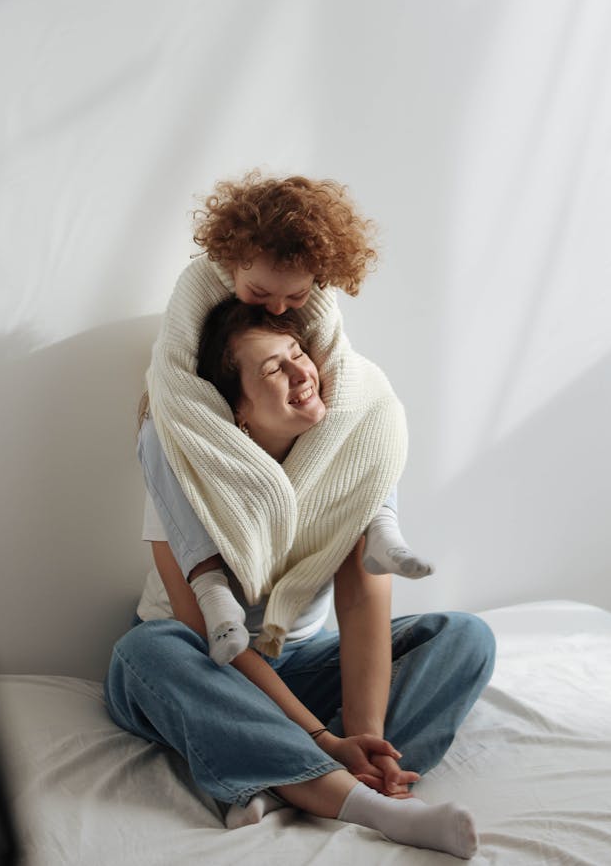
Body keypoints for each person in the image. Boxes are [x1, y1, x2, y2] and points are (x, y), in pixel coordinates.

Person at [105, 301, 495, 858]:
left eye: (297, 354)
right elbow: (212, 638)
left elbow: (363, 603)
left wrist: (359, 735)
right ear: (237, 408)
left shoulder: (350, 453)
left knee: (464, 638)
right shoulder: (189, 475)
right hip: (199, 668)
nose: (300, 373)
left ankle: (311, 782)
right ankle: (366, 805)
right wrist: (319, 736)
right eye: (272, 369)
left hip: (300, 661)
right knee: (145, 648)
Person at [143, 172, 433, 665]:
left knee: (373, 401)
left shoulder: (315, 299)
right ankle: (212, 586)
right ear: (233, 262)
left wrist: (361, 737)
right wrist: (318, 736)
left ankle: (382, 525)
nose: (278, 306)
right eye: (260, 291)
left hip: (306, 652)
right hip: (202, 648)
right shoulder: (200, 284)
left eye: (294, 299)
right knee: (159, 420)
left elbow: (336, 363)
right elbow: (171, 367)